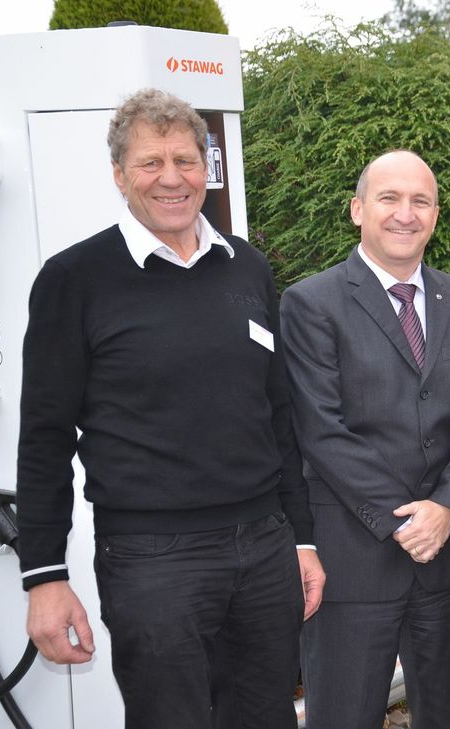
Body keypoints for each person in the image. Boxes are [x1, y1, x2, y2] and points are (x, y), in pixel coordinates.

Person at [16, 88, 324, 728]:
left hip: (265, 546)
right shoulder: (74, 279)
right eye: (151, 163)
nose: (171, 178)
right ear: (120, 176)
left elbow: (277, 414)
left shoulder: (247, 267)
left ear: (207, 169)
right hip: (154, 559)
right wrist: (43, 576)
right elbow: (44, 435)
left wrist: (302, 538)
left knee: (266, 717)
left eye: (185, 160)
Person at [280, 150, 450, 729]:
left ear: (435, 214)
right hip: (353, 559)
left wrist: (446, 508)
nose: (406, 214)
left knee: (445, 715)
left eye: (420, 201)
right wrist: (406, 521)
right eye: (389, 199)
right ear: (357, 210)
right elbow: (321, 430)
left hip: (442, 560)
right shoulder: (310, 303)